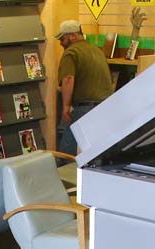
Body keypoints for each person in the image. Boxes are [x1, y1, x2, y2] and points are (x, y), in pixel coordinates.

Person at [55, 20, 113, 155]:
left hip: (85, 108)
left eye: (63, 38)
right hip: (105, 107)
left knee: (66, 151)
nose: (61, 43)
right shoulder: (96, 51)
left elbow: (68, 79)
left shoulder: (71, 52)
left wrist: (65, 107)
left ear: (73, 36)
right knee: (96, 152)